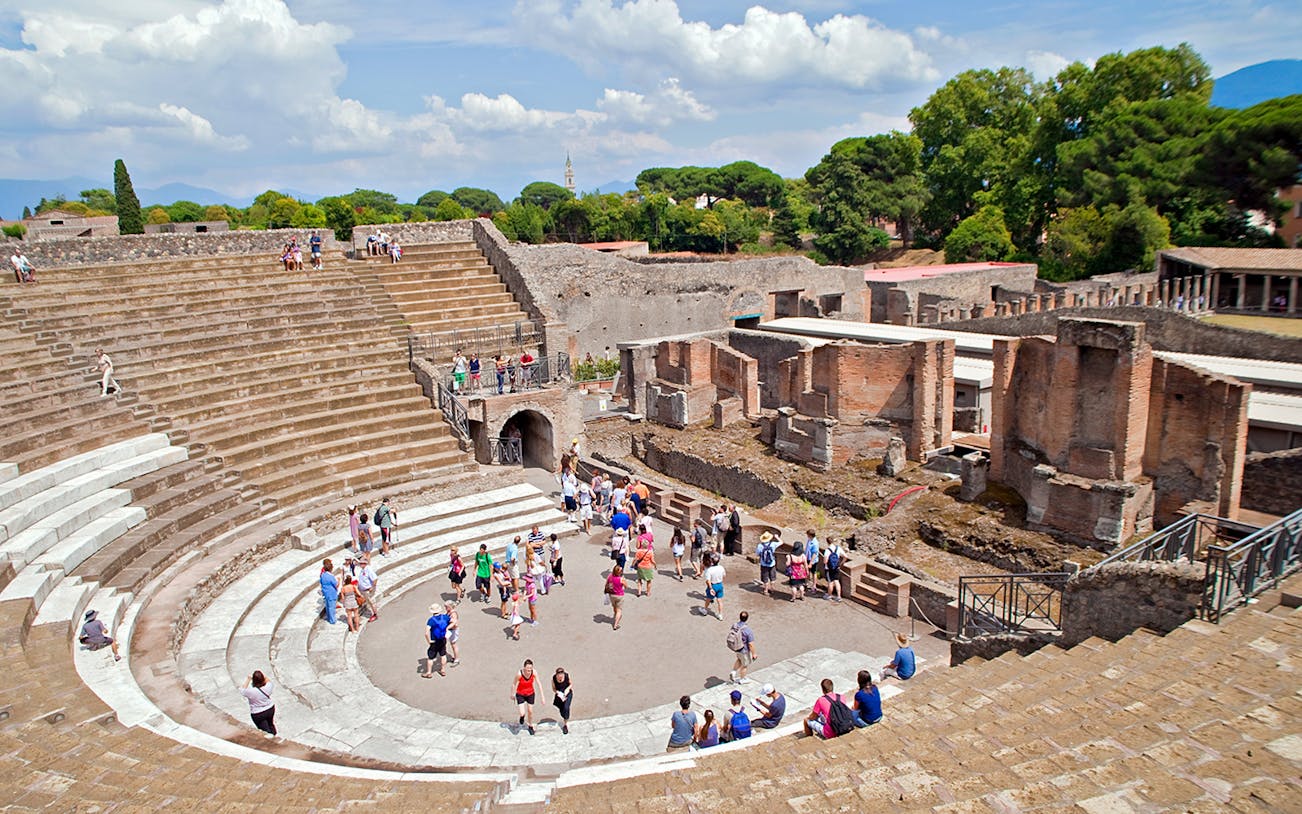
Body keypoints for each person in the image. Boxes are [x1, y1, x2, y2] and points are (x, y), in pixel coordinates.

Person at [727, 611, 756, 683]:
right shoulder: (748, 630)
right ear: (747, 618)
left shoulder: (735, 625)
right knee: (745, 665)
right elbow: (751, 644)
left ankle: (733, 672)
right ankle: (742, 679)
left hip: (736, 647)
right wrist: (754, 654)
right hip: (744, 649)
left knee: (739, 659)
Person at [423, 604, 450, 678]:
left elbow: (426, 633)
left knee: (430, 657)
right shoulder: (445, 617)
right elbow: (449, 626)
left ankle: (429, 672)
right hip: (443, 639)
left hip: (434, 640)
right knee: (443, 655)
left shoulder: (431, 620)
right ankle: (443, 670)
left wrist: (429, 641)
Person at [514, 659, 539, 735]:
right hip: (520, 694)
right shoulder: (519, 674)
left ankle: (530, 726)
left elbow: (539, 683)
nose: (529, 671)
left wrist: (543, 696)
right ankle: (522, 717)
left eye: (530, 669)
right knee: (522, 713)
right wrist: (512, 694)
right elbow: (514, 684)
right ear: (524, 668)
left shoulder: (534, 673)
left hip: (530, 693)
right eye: (527, 669)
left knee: (530, 711)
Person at [355, 555, 378, 620]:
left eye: (362, 563)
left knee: (372, 602)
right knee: (369, 602)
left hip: (368, 590)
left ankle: (375, 614)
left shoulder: (368, 569)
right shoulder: (363, 569)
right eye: (360, 563)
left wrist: (372, 587)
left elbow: (375, 579)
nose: (361, 564)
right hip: (363, 590)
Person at [703, 554, 725, 620]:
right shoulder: (721, 567)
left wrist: (710, 588)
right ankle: (720, 614)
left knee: (708, 599)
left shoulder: (709, 570)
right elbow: (724, 576)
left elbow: (708, 580)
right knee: (719, 600)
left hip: (713, 585)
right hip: (720, 585)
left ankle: (705, 610)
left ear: (712, 561)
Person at [604, 564, 626, 630]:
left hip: (612, 595)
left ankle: (615, 614)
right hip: (619, 595)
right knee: (619, 610)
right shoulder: (621, 579)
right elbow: (626, 586)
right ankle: (615, 624)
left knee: (614, 606)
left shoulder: (610, 577)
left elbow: (606, 584)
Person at [756, 531, 778, 597]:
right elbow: (781, 542)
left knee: (765, 578)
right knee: (772, 577)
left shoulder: (760, 546)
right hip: (772, 563)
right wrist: (777, 537)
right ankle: (772, 588)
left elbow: (757, 553)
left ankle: (765, 590)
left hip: (764, 564)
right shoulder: (773, 544)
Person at [552, 667, 573, 735]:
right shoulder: (554, 679)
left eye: (562, 674)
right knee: (562, 710)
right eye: (559, 675)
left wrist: (567, 689)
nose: (560, 676)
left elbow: (571, 684)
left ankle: (565, 725)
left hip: (567, 693)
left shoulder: (566, 676)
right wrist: (558, 692)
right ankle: (564, 716)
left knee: (566, 708)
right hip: (560, 695)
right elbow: (554, 688)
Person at [823, 537, 844, 601]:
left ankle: (829, 595)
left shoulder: (827, 550)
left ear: (827, 542)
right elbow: (845, 556)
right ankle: (839, 596)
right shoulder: (838, 548)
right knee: (836, 581)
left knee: (830, 582)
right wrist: (841, 564)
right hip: (836, 567)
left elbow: (825, 561)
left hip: (829, 569)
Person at [319, 559, 339, 624]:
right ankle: (332, 620)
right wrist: (339, 580)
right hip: (331, 593)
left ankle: (329, 617)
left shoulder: (322, 575)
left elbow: (321, 583)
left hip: (326, 592)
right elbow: (336, 584)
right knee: (331, 607)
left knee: (328, 606)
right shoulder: (331, 576)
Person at [804, 530, 822, 595]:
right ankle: (807, 583)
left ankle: (814, 586)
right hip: (807, 558)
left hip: (812, 560)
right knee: (807, 571)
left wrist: (811, 563)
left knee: (814, 573)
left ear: (810, 535)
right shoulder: (809, 540)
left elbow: (814, 554)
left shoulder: (815, 543)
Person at [445, 601, 461, 667]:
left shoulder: (453, 613)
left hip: (453, 630)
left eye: (446, 606)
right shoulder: (449, 612)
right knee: (446, 642)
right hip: (450, 630)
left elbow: (454, 622)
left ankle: (456, 659)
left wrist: (447, 628)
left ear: (450, 606)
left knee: (453, 644)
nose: (445, 608)